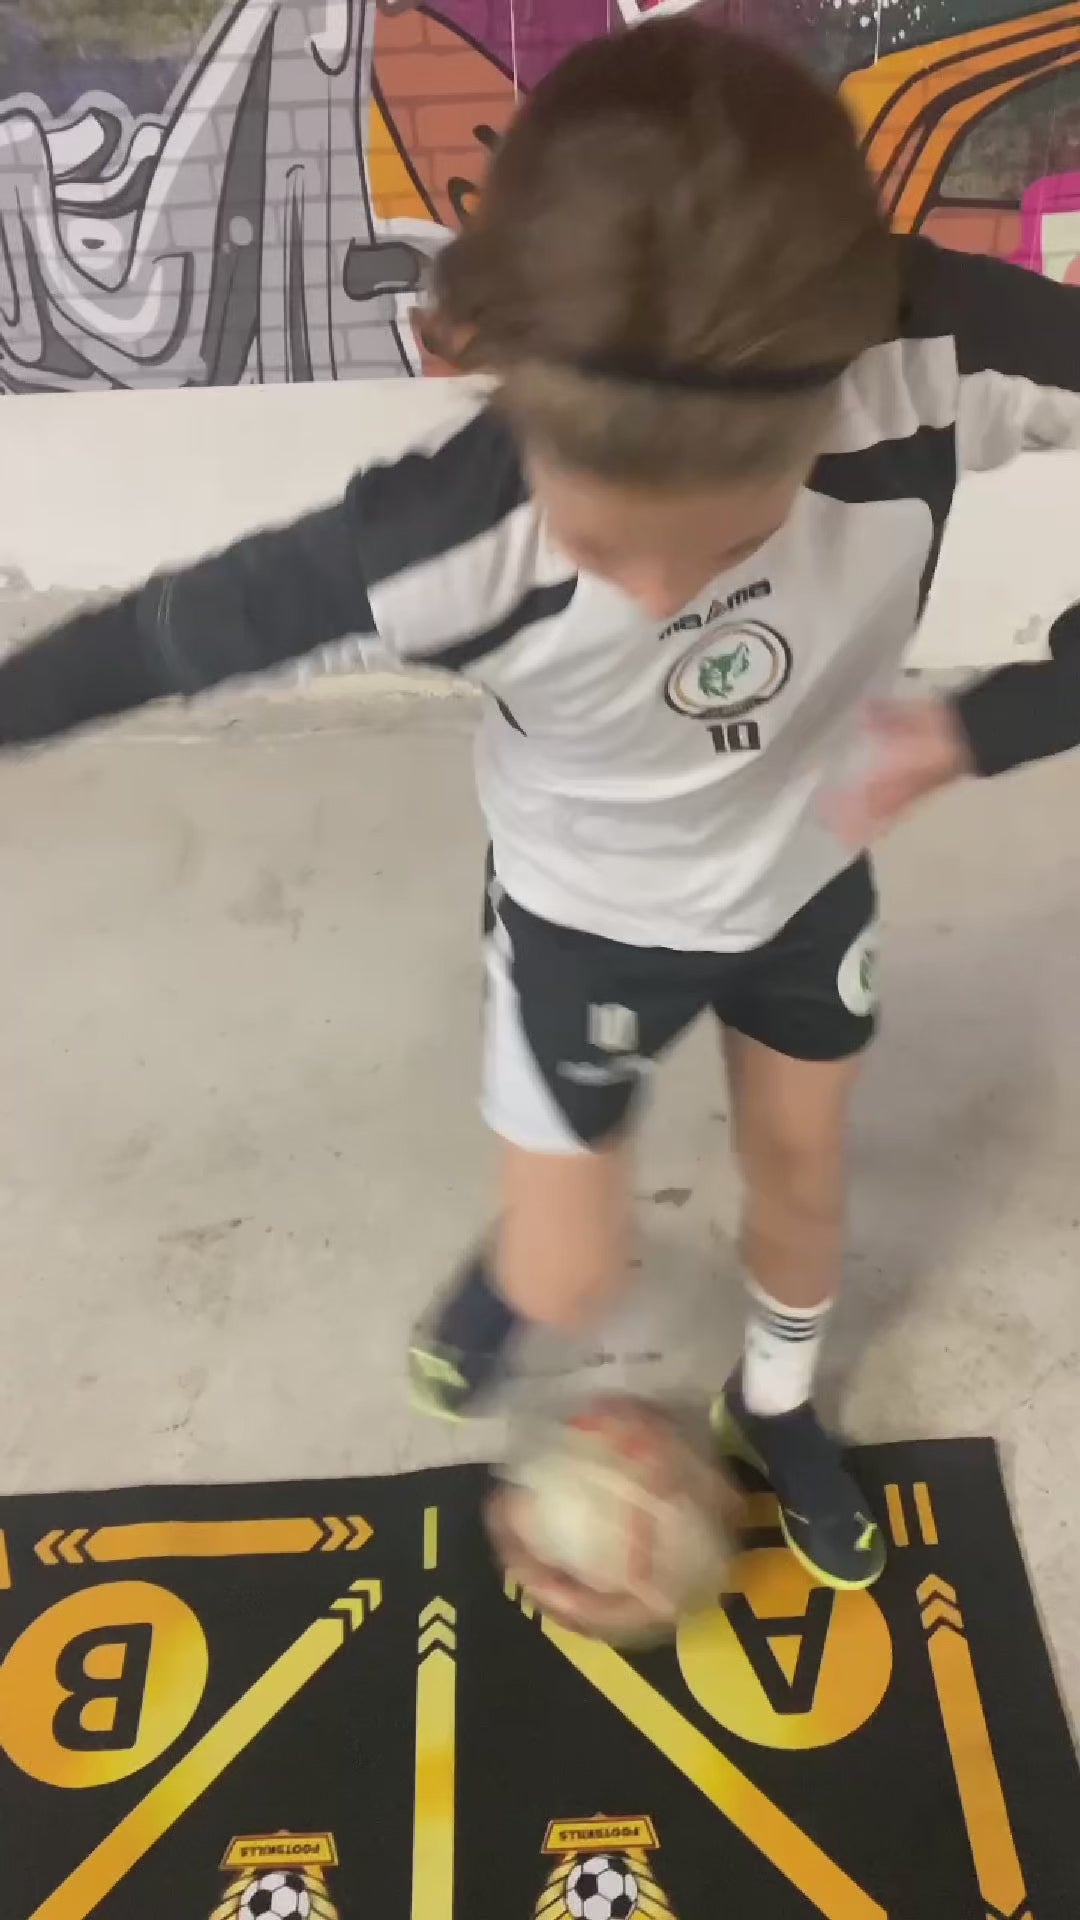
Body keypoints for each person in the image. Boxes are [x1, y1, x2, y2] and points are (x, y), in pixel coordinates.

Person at [2, 19, 1078, 1593]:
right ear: (491, 368)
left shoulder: (923, 358)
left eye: (717, 545)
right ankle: (517, 1272)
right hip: (588, 916)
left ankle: (772, 1406)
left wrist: (1008, 719)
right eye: (608, 544)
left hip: (806, 875)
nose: (654, 594)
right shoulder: (435, 547)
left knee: (805, 1184)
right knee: (568, 1264)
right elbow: (151, 640)